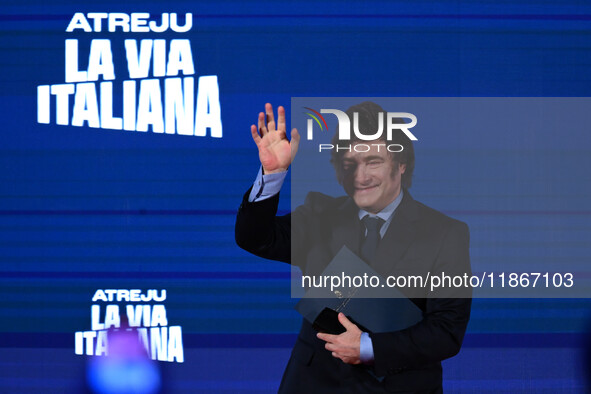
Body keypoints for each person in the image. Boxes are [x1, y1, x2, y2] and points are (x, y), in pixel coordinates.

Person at [235, 102, 471, 393]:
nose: (361, 176)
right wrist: (272, 174)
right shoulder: (319, 215)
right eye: (349, 165)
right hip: (314, 384)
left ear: (401, 164)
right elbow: (255, 238)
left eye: (373, 162)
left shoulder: (445, 234)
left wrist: (369, 348)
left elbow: (446, 332)